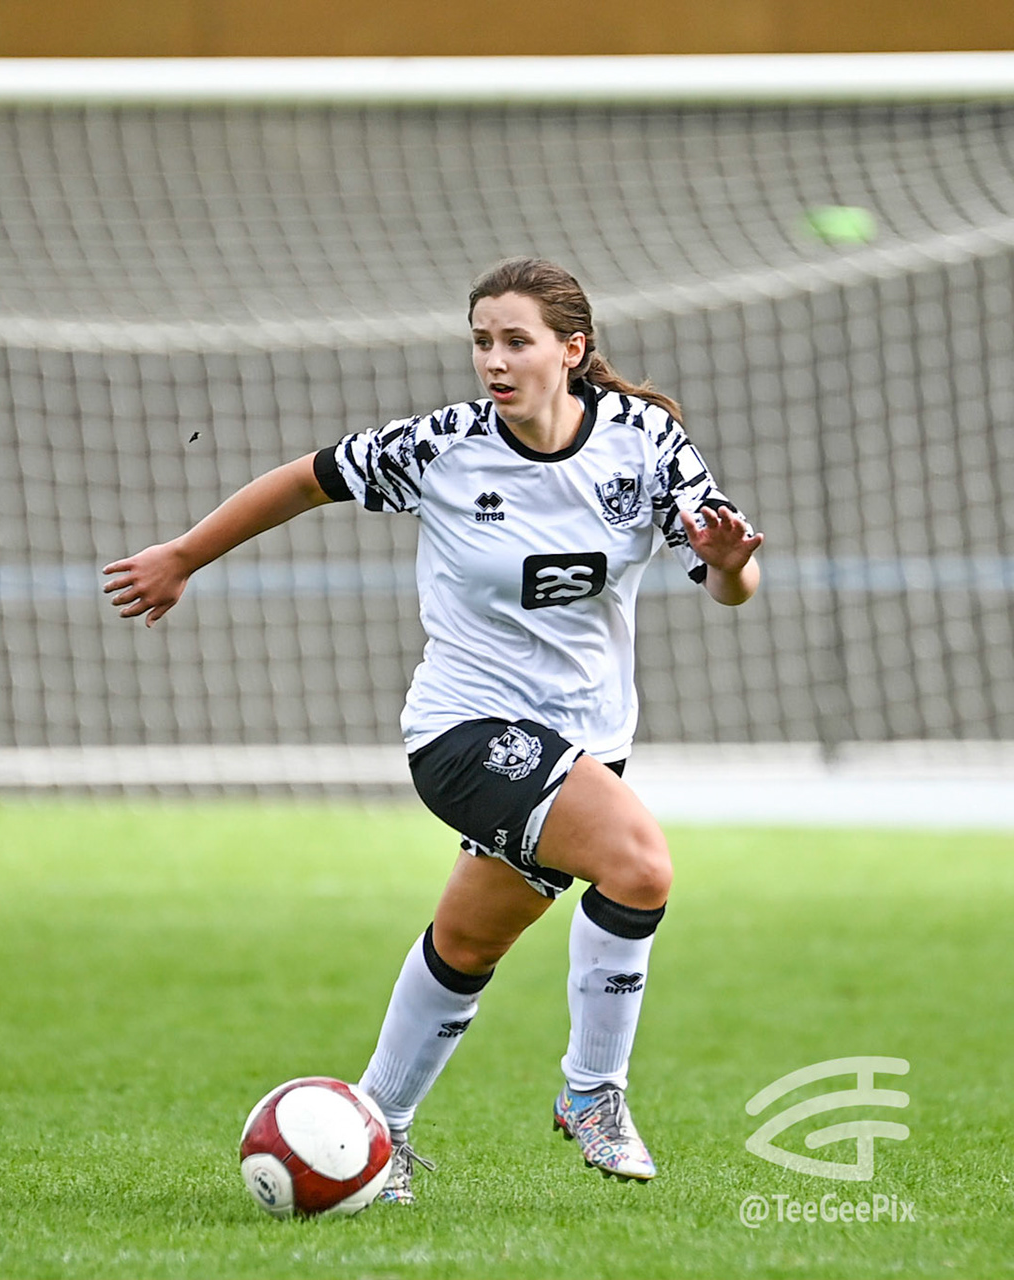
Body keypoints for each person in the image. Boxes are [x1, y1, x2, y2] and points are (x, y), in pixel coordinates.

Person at [103, 257, 762, 1202]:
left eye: (516, 341)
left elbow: (729, 584)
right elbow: (305, 481)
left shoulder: (644, 440)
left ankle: (376, 1129)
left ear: (572, 351)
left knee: (468, 942)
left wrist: (729, 564)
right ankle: (593, 1093)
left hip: (587, 743)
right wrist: (183, 555)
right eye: (482, 341)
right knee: (640, 867)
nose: (494, 361)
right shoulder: (442, 446)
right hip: (464, 729)